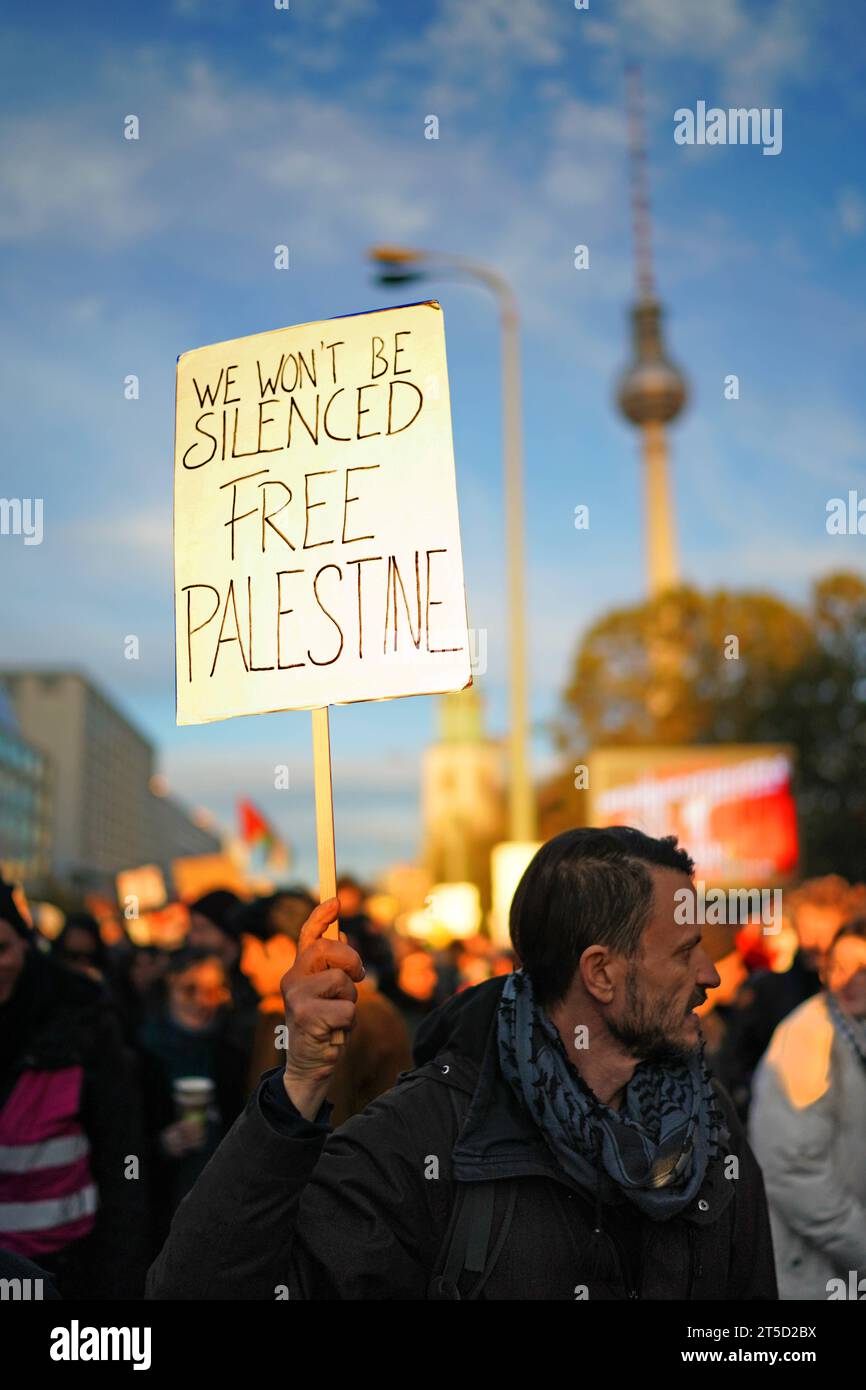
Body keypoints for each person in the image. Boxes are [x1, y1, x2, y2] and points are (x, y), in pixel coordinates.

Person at [148, 828, 777, 1300]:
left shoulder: (704, 1116)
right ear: (602, 973)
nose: (711, 975)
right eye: (686, 950)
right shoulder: (434, 1132)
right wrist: (299, 1086)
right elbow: (196, 1291)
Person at [0, 879, 150, 1299]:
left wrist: (122, 1280)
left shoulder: (80, 1018)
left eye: (2, 949)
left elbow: (124, 1158)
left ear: (26, 947)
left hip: (66, 1265)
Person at [748, 917, 866, 1299]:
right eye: (840, 967)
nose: (849, 980)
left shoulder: (854, 1030)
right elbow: (793, 1170)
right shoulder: (807, 1039)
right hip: (815, 1270)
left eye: (863, 969)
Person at [714, 875, 866, 1119]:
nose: (812, 943)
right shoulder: (769, 990)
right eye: (805, 930)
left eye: (822, 932)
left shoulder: (847, 997)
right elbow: (736, 1062)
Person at [136, 946, 251, 1243]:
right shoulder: (141, 1052)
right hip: (161, 1211)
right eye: (189, 990)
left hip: (221, 1207)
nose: (201, 1001)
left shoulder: (232, 1052)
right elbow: (116, 1142)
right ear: (169, 988)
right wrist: (159, 1144)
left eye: (212, 991)